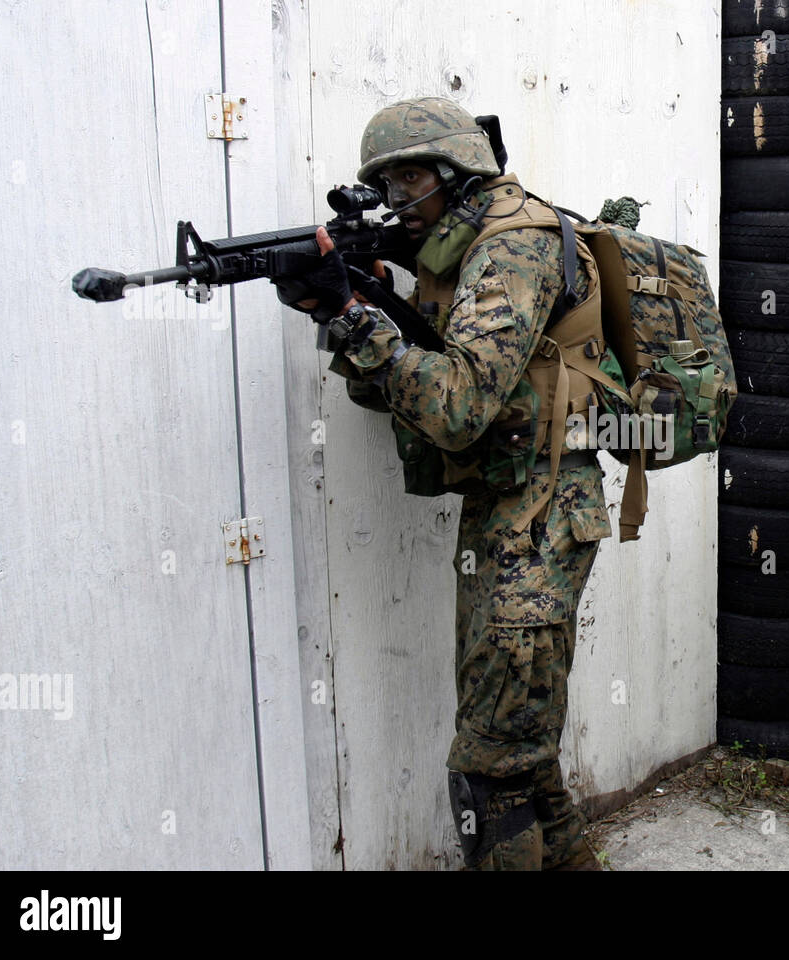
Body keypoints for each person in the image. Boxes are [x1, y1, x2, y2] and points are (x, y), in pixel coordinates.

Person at [276, 97, 608, 871]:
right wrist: (366, 302)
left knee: (489, 770)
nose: (397, 200)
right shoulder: (454, 250)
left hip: (542, 510)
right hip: (510, 507)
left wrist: (355, 316)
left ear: (460, 170)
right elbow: (393, 393)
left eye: (410, 178)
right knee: (519, 747)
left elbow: (457, 406)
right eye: (384, 183)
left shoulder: (513, 244)